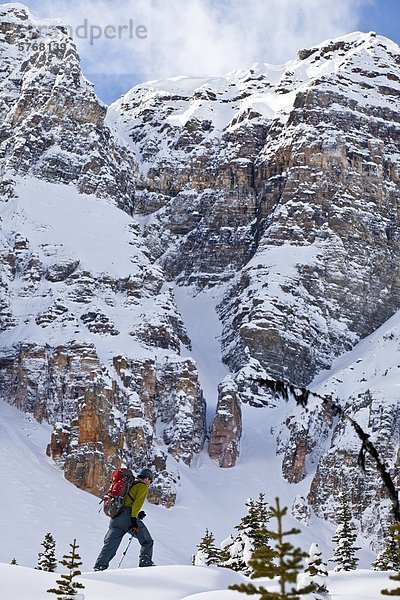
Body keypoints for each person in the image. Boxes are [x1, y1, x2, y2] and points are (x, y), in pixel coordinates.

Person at [93, 467, 155, 570]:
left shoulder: (129, 484)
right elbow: (137, 504)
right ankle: (145, 562)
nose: (150, 482)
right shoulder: (142, 486)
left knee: (110, 546)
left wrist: (137, 514)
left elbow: (126, 501)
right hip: (128, 518)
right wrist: (135, 519)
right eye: (150, 480)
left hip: (115, 518)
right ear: (146, 478)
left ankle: (99, 566)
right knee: (147, 541)